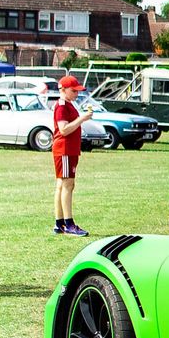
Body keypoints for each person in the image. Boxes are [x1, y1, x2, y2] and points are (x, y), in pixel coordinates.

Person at [51, 74, 93, 237]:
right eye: (73, 91)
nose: (76, 94)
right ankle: (68, 223)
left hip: (67, 150)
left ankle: (59, 223)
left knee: (62, 185)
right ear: (63, 90)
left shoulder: (67, 104)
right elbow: (64, 129)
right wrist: (81, 119)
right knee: (68, 185)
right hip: (65, 149)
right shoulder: (62, 105)